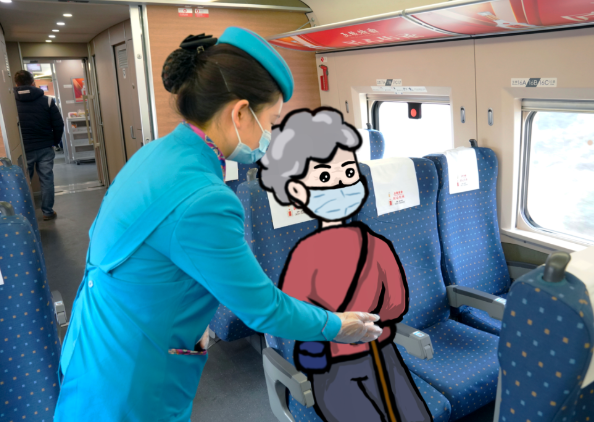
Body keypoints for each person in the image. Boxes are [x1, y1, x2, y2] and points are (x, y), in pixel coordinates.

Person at [53, 29, 382, 422]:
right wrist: (337, 325)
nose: (271, 135)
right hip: (131, 383)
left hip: (94, 342)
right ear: (240, 113)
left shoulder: (156, 153)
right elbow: (264, 309)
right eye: (271, 120)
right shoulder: (206, 199)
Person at [259, 107, 433, 422]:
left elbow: (294, 316)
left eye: (348, 173)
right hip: (381, 352)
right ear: (296, 190)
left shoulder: (303, 255)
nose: (341, 185)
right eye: (326, 177)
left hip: (330, 365)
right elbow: (395, 305)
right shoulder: (377, 244)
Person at [14, 70, 63, 221]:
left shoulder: (10, 103)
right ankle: (47, 212)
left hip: (24, 149)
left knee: (23, 182)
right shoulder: (47, 101)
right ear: (33, 82)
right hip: (45, 147)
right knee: (46, 180)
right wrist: (54, 142)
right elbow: (58, 125)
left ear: (16, 84)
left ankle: (23, 215)